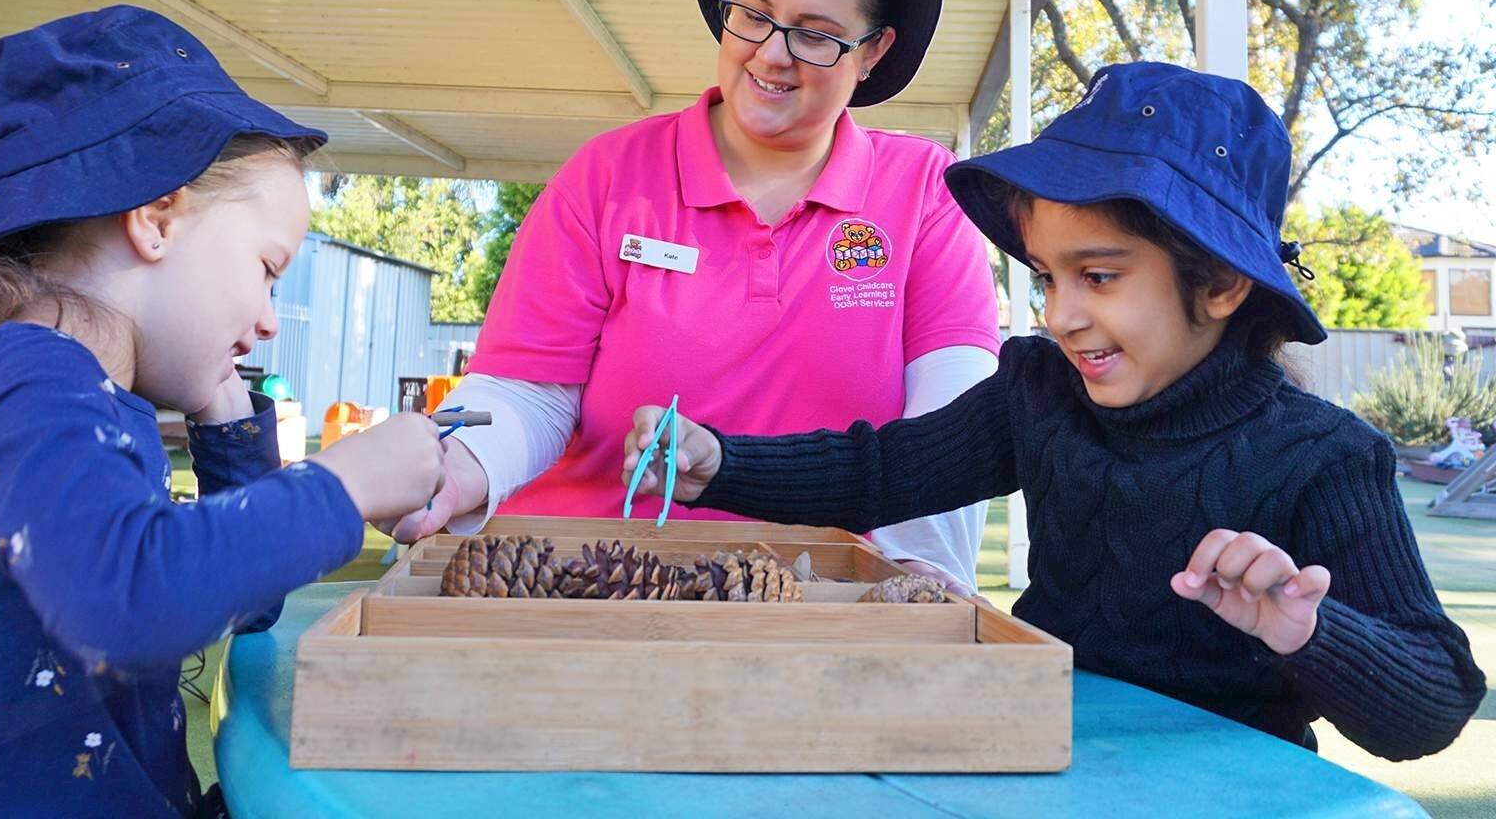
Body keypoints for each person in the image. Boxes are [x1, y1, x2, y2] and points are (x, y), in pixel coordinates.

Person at [623, 62, 1486, 760]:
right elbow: (884, 469)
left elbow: (1435, 706)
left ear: (1221, 283)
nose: (1059, 314)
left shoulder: (1325, 457)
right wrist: (722, 462)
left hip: (1223, 787)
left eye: (1099, 276)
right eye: (1047, 276)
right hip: (1030, 755)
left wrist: (1310, 628)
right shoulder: (1040, 391)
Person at [0, 6, 445, 817]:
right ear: (156, 219)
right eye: (266, 269)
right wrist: (344, 484)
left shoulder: (52, 387)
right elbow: (126, 601)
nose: (267, 318)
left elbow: (233, 598)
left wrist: (226, 426)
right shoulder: (25, 377)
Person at [394, 0, 1002, 592]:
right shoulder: (610, 175)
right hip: (586, 583)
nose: (771, 55)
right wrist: (457, 468)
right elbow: (529, 394)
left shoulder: (928, 192)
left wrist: (920, 574)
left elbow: (953, 420)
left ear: (873, 51)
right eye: (752, 14)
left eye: (814, 33)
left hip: (819, 597)